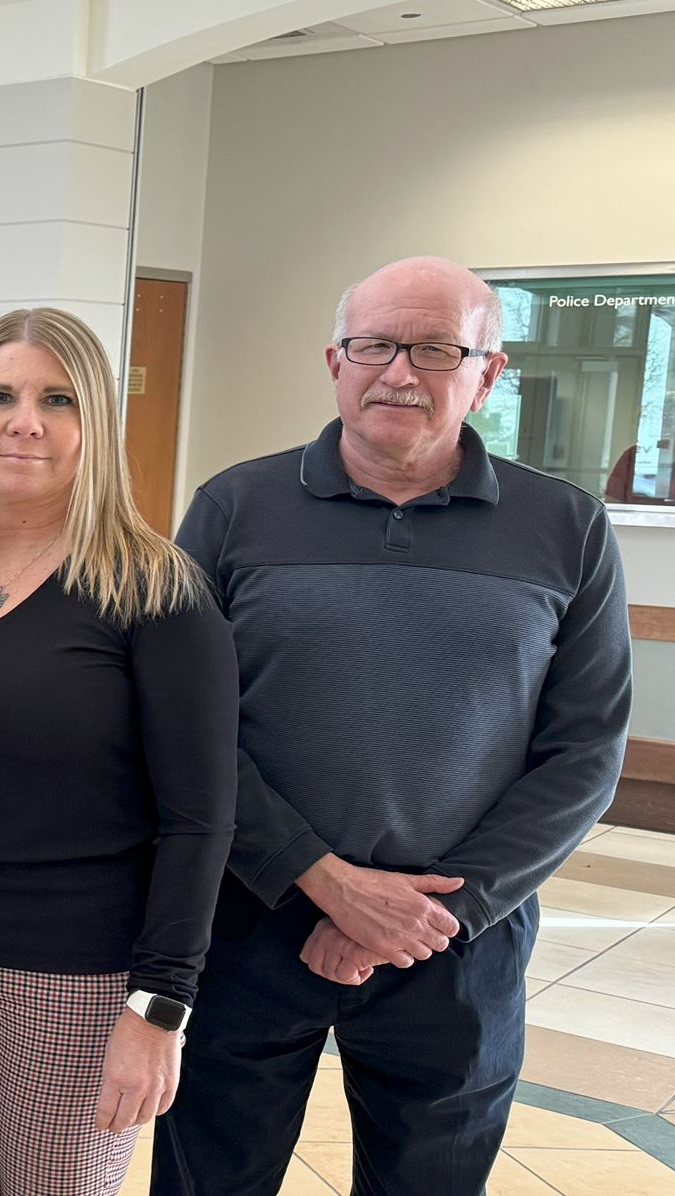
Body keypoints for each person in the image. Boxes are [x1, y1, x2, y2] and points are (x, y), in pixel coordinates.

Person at [154, 257, 632, 1196]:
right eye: (375, 346)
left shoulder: (566, 526)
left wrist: (429, 915)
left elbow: (585, 752)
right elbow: (178, 725)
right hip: (250, 922)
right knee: (209, 1177)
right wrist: (320, 879)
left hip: (457, 943)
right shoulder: (233, 509)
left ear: (488, 373)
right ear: (335, 361)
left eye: (436, 349)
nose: (400, 372)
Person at [0, 307, 237, 1195]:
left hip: (83, 981)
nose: (25, 420)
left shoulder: (157, 590)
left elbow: (200, 820)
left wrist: (158, 1009)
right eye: (0, 395)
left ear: (93, 425)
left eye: (57, 398)